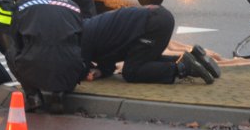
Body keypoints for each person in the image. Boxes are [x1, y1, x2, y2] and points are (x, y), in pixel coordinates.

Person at [7, 0, 87, 113]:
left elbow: (16, 39)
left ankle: (33, 97)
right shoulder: (74, 6)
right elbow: (82, 41)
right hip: (69, 70)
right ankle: (59, 94)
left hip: (33, 69)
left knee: (10, 51)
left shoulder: (22, 4)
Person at [80, 5, 220, 84]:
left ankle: (182, 67)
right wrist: (99, 71)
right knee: (144, 60)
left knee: (131, 72)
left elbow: (78, 69)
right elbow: (108, 65)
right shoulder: (91, 29)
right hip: (158, 18)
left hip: (153, 25)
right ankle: (194, 57)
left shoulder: (84, 37)